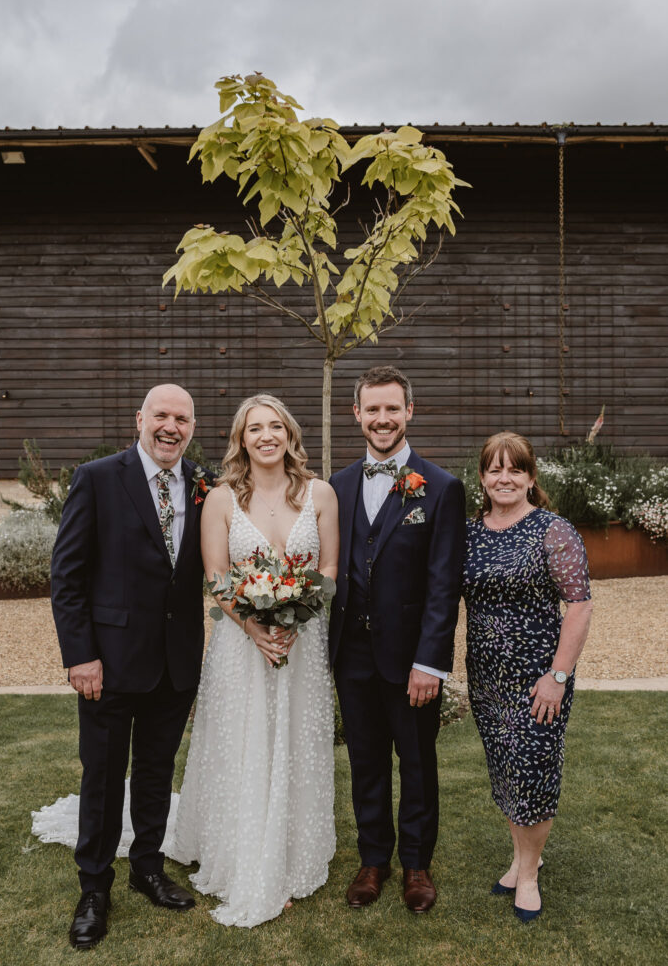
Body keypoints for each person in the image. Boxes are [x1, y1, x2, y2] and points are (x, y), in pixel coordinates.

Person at [50, 384, 211, 949]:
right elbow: (67, 577)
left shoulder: (202, 486)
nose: (171, 427)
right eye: (162, 416)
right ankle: (94, 887)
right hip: (109, 664)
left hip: (175, 662)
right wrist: (80, 656)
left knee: (154, 772)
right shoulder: (97, 478)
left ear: (193, 426)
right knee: (102, 777)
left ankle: (147, 867)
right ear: (140, 418)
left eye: (182, 419)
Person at [169, 393, 339, 928]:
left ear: (290, 434)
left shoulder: (322, 494)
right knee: (243, 741)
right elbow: (217, 578)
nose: (266, 436)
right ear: (241, 440)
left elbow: (330, 570)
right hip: (241, 648)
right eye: (254, 428)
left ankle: (292, 852)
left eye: (275, 426)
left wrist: (298, 615)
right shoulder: (220, 500)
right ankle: (241, 851)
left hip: (303, 643)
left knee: (294, 740)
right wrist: (253, 626)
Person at [329, 365, 466, 913]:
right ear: (356, 414)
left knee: (415, 760)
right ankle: (373, 859)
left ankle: (416, 863)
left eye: (393, 408)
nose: (382, 419)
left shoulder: (441, 487)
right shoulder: (335, 486)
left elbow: (443, 584)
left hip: (410, 656)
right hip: (351, 655)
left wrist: (429, 663)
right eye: (372, 409)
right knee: (365, 760)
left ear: (409, 412)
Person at [463, 431, 593, 923]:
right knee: (506, 772)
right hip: (488, 681)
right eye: (495, 469)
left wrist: (557, 676)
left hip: (539, 678)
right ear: (482, 477)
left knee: (535, 773)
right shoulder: (470, 532)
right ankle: (519, 860)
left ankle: (531, 874)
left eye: (515, 468)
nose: (504, 477)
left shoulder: (551, 531)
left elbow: (579, 607)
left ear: (531, 477)